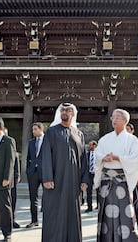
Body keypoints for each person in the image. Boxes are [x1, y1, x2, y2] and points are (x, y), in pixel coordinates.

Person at [41, 102, 88, 242]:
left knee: (72, 213)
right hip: (56, 180)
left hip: (74, 182)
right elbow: (46, 155)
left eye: (68, 111)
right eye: (62, 110)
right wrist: (47, 178)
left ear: (73, 114)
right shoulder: (51, 131)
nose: (65, 113)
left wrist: (85, 179)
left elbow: (83, 158)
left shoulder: (79, 133)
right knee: (54, 212)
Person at [94, 108, 138, 241]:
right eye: (112, 117)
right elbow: (97, 155)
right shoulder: (105, 139)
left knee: (124, 211)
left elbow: (136, 159)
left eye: (117, 117)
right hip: (106, 181)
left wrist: (118, 157)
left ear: (125, 121)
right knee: (105, 212)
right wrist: (103, 158)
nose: (114, 120)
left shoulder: (132, 140)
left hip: (122, 181)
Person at [25, 122, 44, 228]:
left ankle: (48, 221)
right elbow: (28, 157)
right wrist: (28, 170)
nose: (33, 131)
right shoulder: (31, 142)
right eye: (33, 130)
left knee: (48, 197)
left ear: (41, 129)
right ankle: (34, 220)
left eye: (35, 129)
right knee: (33, 197)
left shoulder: (48, 141)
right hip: (33, 173)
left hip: (45, 172)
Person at [3, 127, 20, 229]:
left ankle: (12, 219)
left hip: (11, 178)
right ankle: (1, 221)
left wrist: (17, 174)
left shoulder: (11, 143)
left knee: (12, 199)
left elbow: (16, 159)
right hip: (0, 178)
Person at [85, 140, 98, 212]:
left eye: (90, 145)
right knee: (88, 191)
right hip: (89, 174)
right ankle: (89, 207)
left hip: (96, 174)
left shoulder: (99, 154)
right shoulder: (87, 154)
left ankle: (98, 205)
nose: (89, 146)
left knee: (98, 190)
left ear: (94, 146)